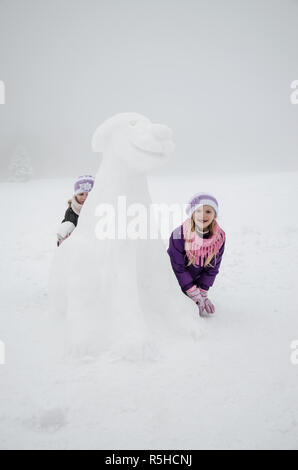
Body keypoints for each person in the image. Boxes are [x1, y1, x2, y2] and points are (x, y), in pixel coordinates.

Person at [167, 192, 226, 316]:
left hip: (196, 285)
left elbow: (213, 267)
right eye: (199, 211)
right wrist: (191, 291)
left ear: (215, 214)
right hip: (175, 282)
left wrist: (202, 291)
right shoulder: (178, 235)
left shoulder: (219, 238)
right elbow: (177, 267)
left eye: (208, 211)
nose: (203, 215)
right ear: (192, 213)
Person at [56, 175, 95, 247]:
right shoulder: (72, 212)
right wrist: (62, 239)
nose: (85, 197)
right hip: (79, 245)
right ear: (76, 194)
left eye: (88, 194)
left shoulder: (97, 209)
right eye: (81, 194)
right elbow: (66, 230)